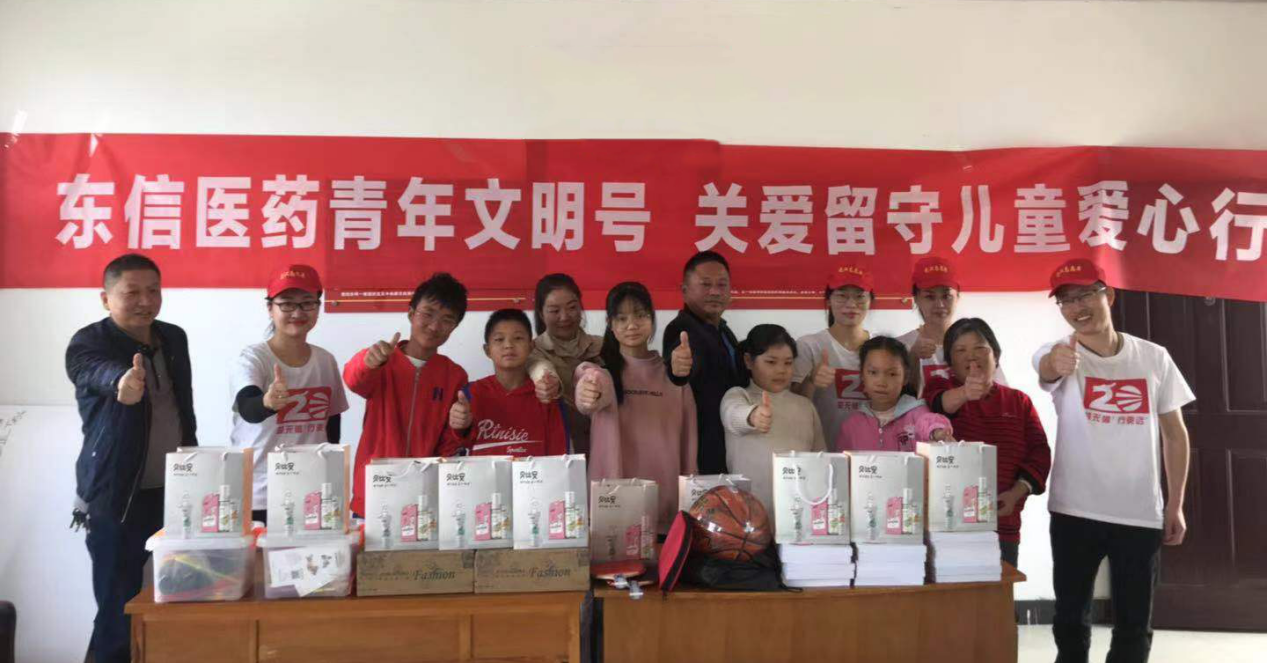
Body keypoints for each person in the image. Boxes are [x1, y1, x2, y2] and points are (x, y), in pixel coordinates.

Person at [1034, 259, 1193, 663]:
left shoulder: (1153, 357)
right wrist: (1055, 363)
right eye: (1066, 300)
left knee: (1134, 625)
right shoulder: (1059, 353)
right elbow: (1047, 367)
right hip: (1074, 510)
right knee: (1071, 620)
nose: (1077, 307)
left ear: (1109, 295)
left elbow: (1175, 434)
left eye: (1086, 294)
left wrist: (1175, 504)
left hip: (1138, 513)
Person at [66, 254, 196, 663]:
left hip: (175, 492)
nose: (145, 301)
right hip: (116, 495)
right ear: (106, 299)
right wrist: (120, 381)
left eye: (153, 290)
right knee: (117, 608)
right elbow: (90, 370)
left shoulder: (173, 337)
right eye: (132, 292)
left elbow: (182, 408)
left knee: (179, 598)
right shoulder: (89, 342)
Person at [923, 317, 1051, 568]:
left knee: (997, 591)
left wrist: (1016, 493)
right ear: (949, 363)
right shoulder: (939, 386)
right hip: (949, 526)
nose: (971, 356)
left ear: (996, 355)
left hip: (1004, 526)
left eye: (980, 348)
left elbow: (1040, 452)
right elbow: (938, 405)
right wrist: (965, 393)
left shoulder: (1019, 401)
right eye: (960, 350)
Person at [230, 265, 349, 524]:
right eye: (286, 304)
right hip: (259, 494)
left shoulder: (325, 361)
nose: (297, 312)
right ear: (270, 308)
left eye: (307, 303)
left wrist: (331, 477)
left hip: (313, 490)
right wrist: (267, 402)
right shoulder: (253, 358)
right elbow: (248, 408)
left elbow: (331, 425)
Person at [343, 272, 469, 516]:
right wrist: (368, 363)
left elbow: (450, 443)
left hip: (423, 498)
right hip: (374, 493)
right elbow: (353, 380)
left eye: (446, 319)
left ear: (454, 327)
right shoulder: (382, 360)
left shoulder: (454, 375)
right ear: (411, 313)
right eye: (428, 313)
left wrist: (460, 427)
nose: (434, 326)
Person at [576, 282, 698, 532]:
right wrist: (586, 392)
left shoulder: (674, 376)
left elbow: (689, 444)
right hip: (612, 510)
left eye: (640, 315)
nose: (632, 325)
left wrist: (688, 498)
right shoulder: (601, 372)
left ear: (652, 318)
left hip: (666, 510)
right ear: (610, 324)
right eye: (622, 318)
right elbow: (587, 391)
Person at [720, 324, 825, 513]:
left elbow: (821, 459)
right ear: (748, 361)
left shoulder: (805, 406)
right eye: (771, 362)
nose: (781, 370)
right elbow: (733, 414)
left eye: (788, 363)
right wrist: (753, 416)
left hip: (800, 512)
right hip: (748, 514)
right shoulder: (738, 395)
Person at [442, 308, 569, 457]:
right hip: (483, 473)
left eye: (518, 338)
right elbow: (454, 449)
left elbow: (559, 456)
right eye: (499, 339)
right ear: (487, 350)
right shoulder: (471, 393)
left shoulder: (547, 395)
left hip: (536, 473)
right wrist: (460, 427)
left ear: (531, 346)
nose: (508, 345)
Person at [664, 251, 744, 474]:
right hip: (702, 451)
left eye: (722, 284)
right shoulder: (682, 329)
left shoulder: (724, 331)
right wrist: (678, 370)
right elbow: (680, 370)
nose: (715, 292)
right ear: (684, 290)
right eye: (706, 284)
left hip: (732, 444)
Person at [897, 256, 1007, 396]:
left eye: (946, 296)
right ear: (916, 298)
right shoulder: (900, 346)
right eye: (930, 297)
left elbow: (1000, 393)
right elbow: (897, 400)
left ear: (958, 297)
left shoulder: (978, 342)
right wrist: (912, 357)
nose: (940, 304)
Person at [791, 264, 874, 450]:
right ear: (828, 300)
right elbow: (792, 405)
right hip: (822, 453)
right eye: (842, 295)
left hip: (871, 454)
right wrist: (811, 380)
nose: (851, 304)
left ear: (870, 301)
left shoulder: (881, 348)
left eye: (860, 296)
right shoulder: (809, 345)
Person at [836, 336, 952, 452]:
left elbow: (930, 422)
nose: (881, 382)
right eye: (873, 372)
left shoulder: (916, 414)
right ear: (862, 375)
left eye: (892, 374)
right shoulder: (851, 425)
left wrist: (937, 432)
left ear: (905, 377)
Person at [526, 274, 592, 453]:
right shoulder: (531, 350)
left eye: (572, 307)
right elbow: (538, 366)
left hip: (605, 446)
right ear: (541, 313)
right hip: (559, 451)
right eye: (555, 311)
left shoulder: (602, 346)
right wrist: (547, 384)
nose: (564, 317)